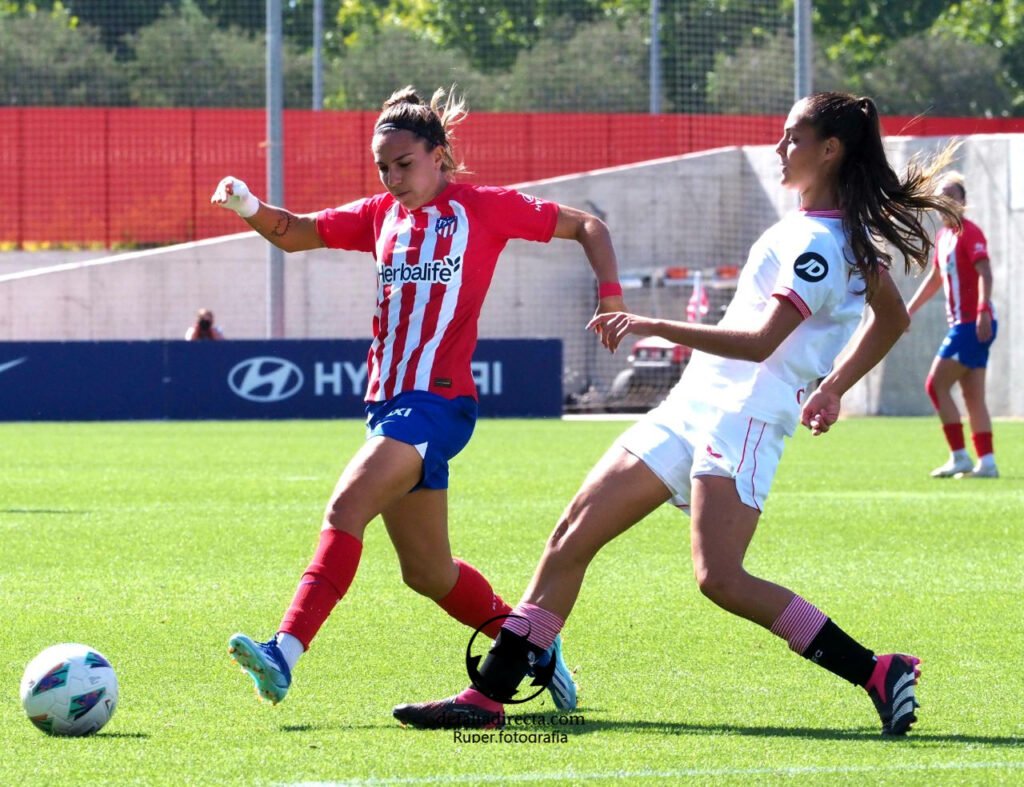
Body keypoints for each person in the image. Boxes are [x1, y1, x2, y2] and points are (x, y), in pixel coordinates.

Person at [393, 92, 960, 736]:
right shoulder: (828, 235)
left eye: (792, 138)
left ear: (830, 150)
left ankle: (876, 670)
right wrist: (833, 385)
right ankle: (488, 697)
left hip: (743, 418)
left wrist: (651, 325)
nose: (780, 148)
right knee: (573, 534)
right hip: (691, 406)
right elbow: (887, 316)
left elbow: (760, 344)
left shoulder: (821, 244)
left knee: (720, 579)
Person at [210, 85, 626, 712]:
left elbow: (587, 224)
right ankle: (532, 645)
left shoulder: (483, 209)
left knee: (347, 504)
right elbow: (295, 234)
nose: (393, 177)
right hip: (387, 405)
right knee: (427, 574)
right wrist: (246, 204)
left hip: (438, 402)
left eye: (404, 164)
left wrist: (612, 296)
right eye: (383, 167)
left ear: (438, 155)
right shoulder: (381, 215)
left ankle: (283, 653)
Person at [906, 171, 998, 479]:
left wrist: (983, 310)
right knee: (973, 396)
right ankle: (987, 463)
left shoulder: (969, 233)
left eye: (952, 195)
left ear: (963, 202)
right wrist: (910, 309)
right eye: (941, 195)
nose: (946, 200)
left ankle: (959, 456)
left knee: (935, 385)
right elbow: (935, 279)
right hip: (964, 324)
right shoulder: (944, 237)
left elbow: (985, 272)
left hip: (971, 324)